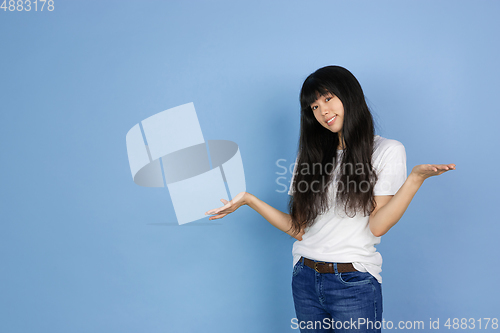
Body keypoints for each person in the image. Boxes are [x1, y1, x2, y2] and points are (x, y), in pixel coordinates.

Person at [205, 65, 455, 332]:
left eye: (327, 98)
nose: (322, 111)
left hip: (353, 281)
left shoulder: (386, 150)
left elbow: (378, 225)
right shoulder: (310, 157)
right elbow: (299, 229)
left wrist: (415, 179)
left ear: (348, 95)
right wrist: (249, 200)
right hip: (304, 278)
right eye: (313, 107)